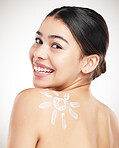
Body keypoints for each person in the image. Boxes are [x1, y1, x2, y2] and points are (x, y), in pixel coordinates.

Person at [6, 6, 119, 148]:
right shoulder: (112, 121)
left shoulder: (33, 101)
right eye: (39, 40)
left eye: (56, 46)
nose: (38, 53)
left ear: (89, 63)